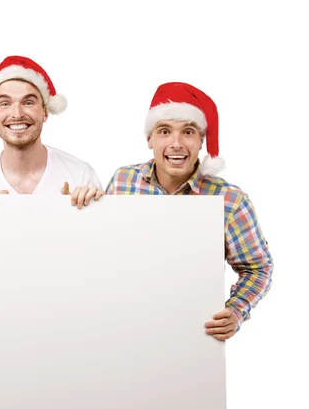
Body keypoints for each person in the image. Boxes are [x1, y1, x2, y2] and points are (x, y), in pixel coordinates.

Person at [105, 82, 273, 341]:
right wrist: (79, 209)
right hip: (126, 329)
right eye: (164, 131)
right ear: (149, 139)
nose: (176, 143)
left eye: (188, 131)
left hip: (194, 341)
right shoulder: (123, 181)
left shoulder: (231, 201)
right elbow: (105, 252)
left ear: (201, 140)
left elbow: (258, 268)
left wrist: (236, 310)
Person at [0, 55, 104, 208]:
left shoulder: (82, 177)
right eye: (5, 103)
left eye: (28, 102)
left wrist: (81, 216)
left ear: (45, 112)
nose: (17, 114)